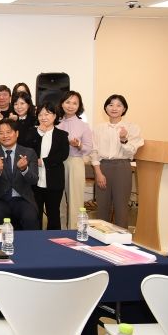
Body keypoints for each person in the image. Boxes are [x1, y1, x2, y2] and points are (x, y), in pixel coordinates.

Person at [91, 94, 144, 228]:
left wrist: (123, 139)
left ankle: (121, 239)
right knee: (102, 207)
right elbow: (94, 151)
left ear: (124, 109)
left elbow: (131, 152)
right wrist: (98, 173)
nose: (114, 108)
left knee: (121, 207)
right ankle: (101, 237)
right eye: (111, 105)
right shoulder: (98, 128)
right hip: (102, 167)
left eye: (119, 105)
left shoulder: (132, 127)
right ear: (106, 108)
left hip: (122, 167)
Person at [0, 118, 40, 229]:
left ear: (16, 133)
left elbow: (34, 180)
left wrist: (24, 169)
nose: (5, 136)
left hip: (22, 199)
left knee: (30, 218)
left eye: (8, 132)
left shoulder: (29, 153)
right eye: (1, 133)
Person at [28, 102, 69, 230]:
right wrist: (39, 133)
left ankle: (54, 238)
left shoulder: (62, 135)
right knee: (35, 213)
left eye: (47, 114)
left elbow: (63, 155)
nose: (43, 117)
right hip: (35, 181)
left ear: (55, 116)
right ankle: (36, 238)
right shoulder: (32, 133)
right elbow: (27, 151)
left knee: (53, 213)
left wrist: (43, 162)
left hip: (54, 180)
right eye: (40, 114)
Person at [57, 90, 93, 230]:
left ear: (79, 106)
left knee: (75, 200)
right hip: (57, 163)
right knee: (58, 200)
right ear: (62, 103)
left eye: (75, 103)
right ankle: (60, 231)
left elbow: (88, 149)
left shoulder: (83, 125)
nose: (71, 106)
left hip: (75, 162)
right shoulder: (55, 122)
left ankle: (74, 232)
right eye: (68, 102)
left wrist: (79, 145)